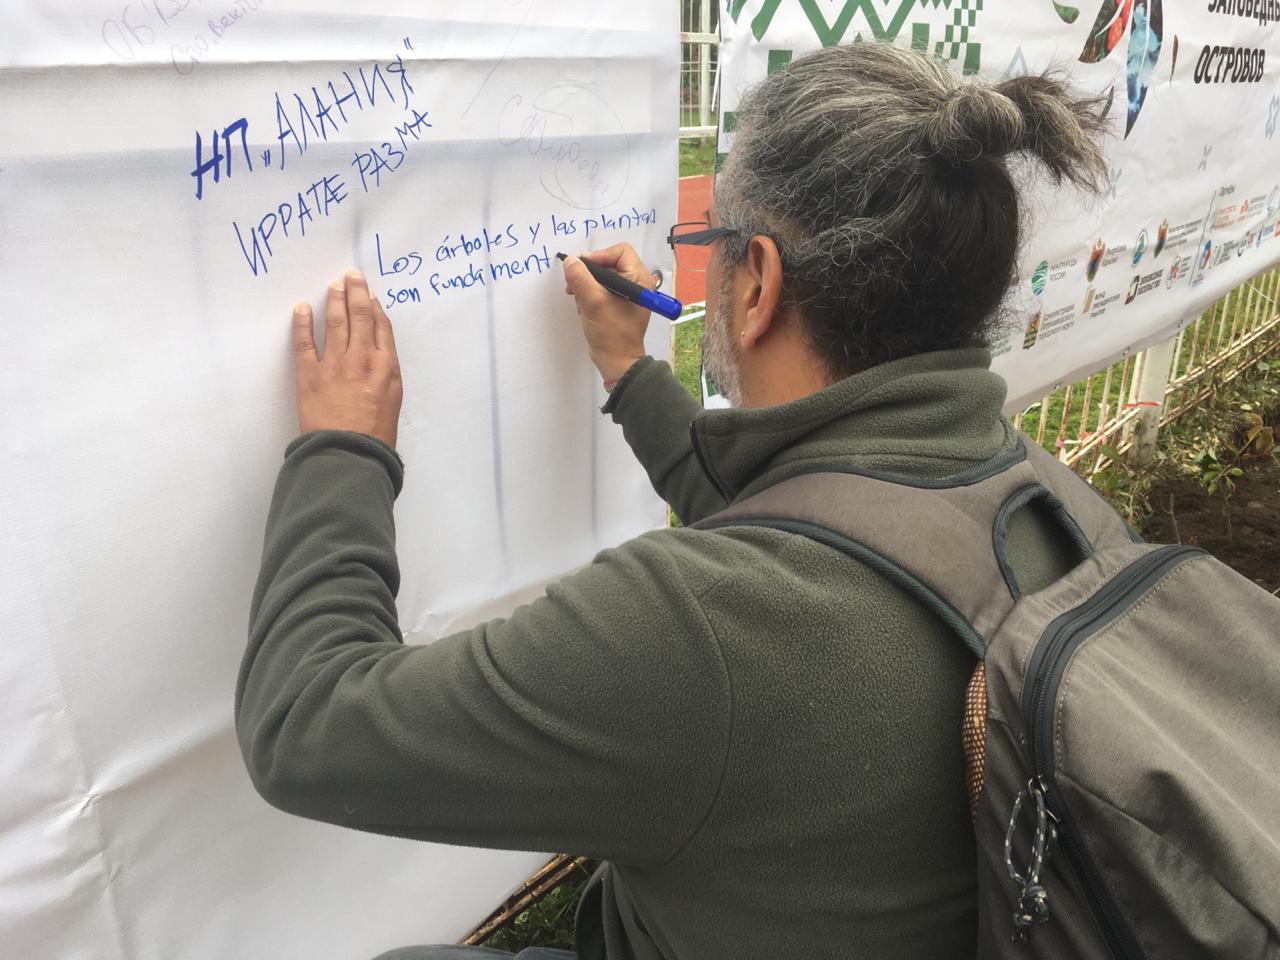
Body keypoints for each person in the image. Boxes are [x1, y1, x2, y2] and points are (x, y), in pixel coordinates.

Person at [235, 42, 1110, 960]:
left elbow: (307, 727)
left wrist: (345, 450)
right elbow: (824, 527)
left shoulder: (703, 628)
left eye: (712, 245)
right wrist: (629, 368)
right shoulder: (1050, 504)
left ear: (757, 281)